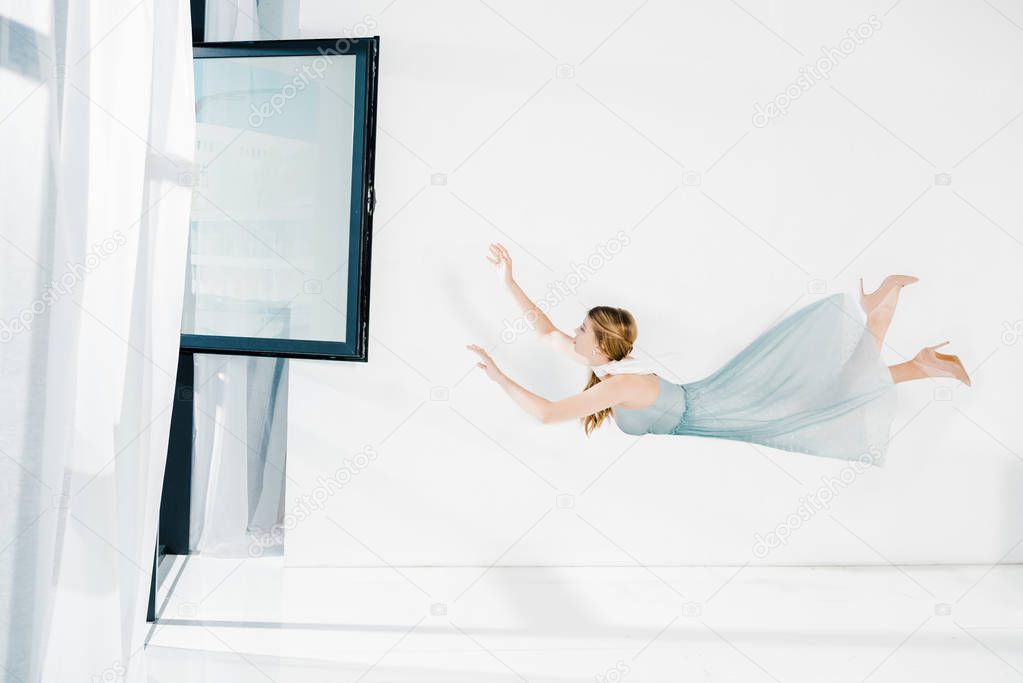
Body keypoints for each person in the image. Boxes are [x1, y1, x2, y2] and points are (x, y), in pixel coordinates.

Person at [466, 243, 971, 465]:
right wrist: (508, 281)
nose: (571, 335)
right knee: (836, 395)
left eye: (581, 331)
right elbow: (546, 331)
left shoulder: (619, 382)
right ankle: (910, 349)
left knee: (834, 400)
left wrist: (498, 378)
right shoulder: (609, 367)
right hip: (716, 405)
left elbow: (549, 414)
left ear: (599, 345)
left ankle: (884, 313)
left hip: (729, 404)